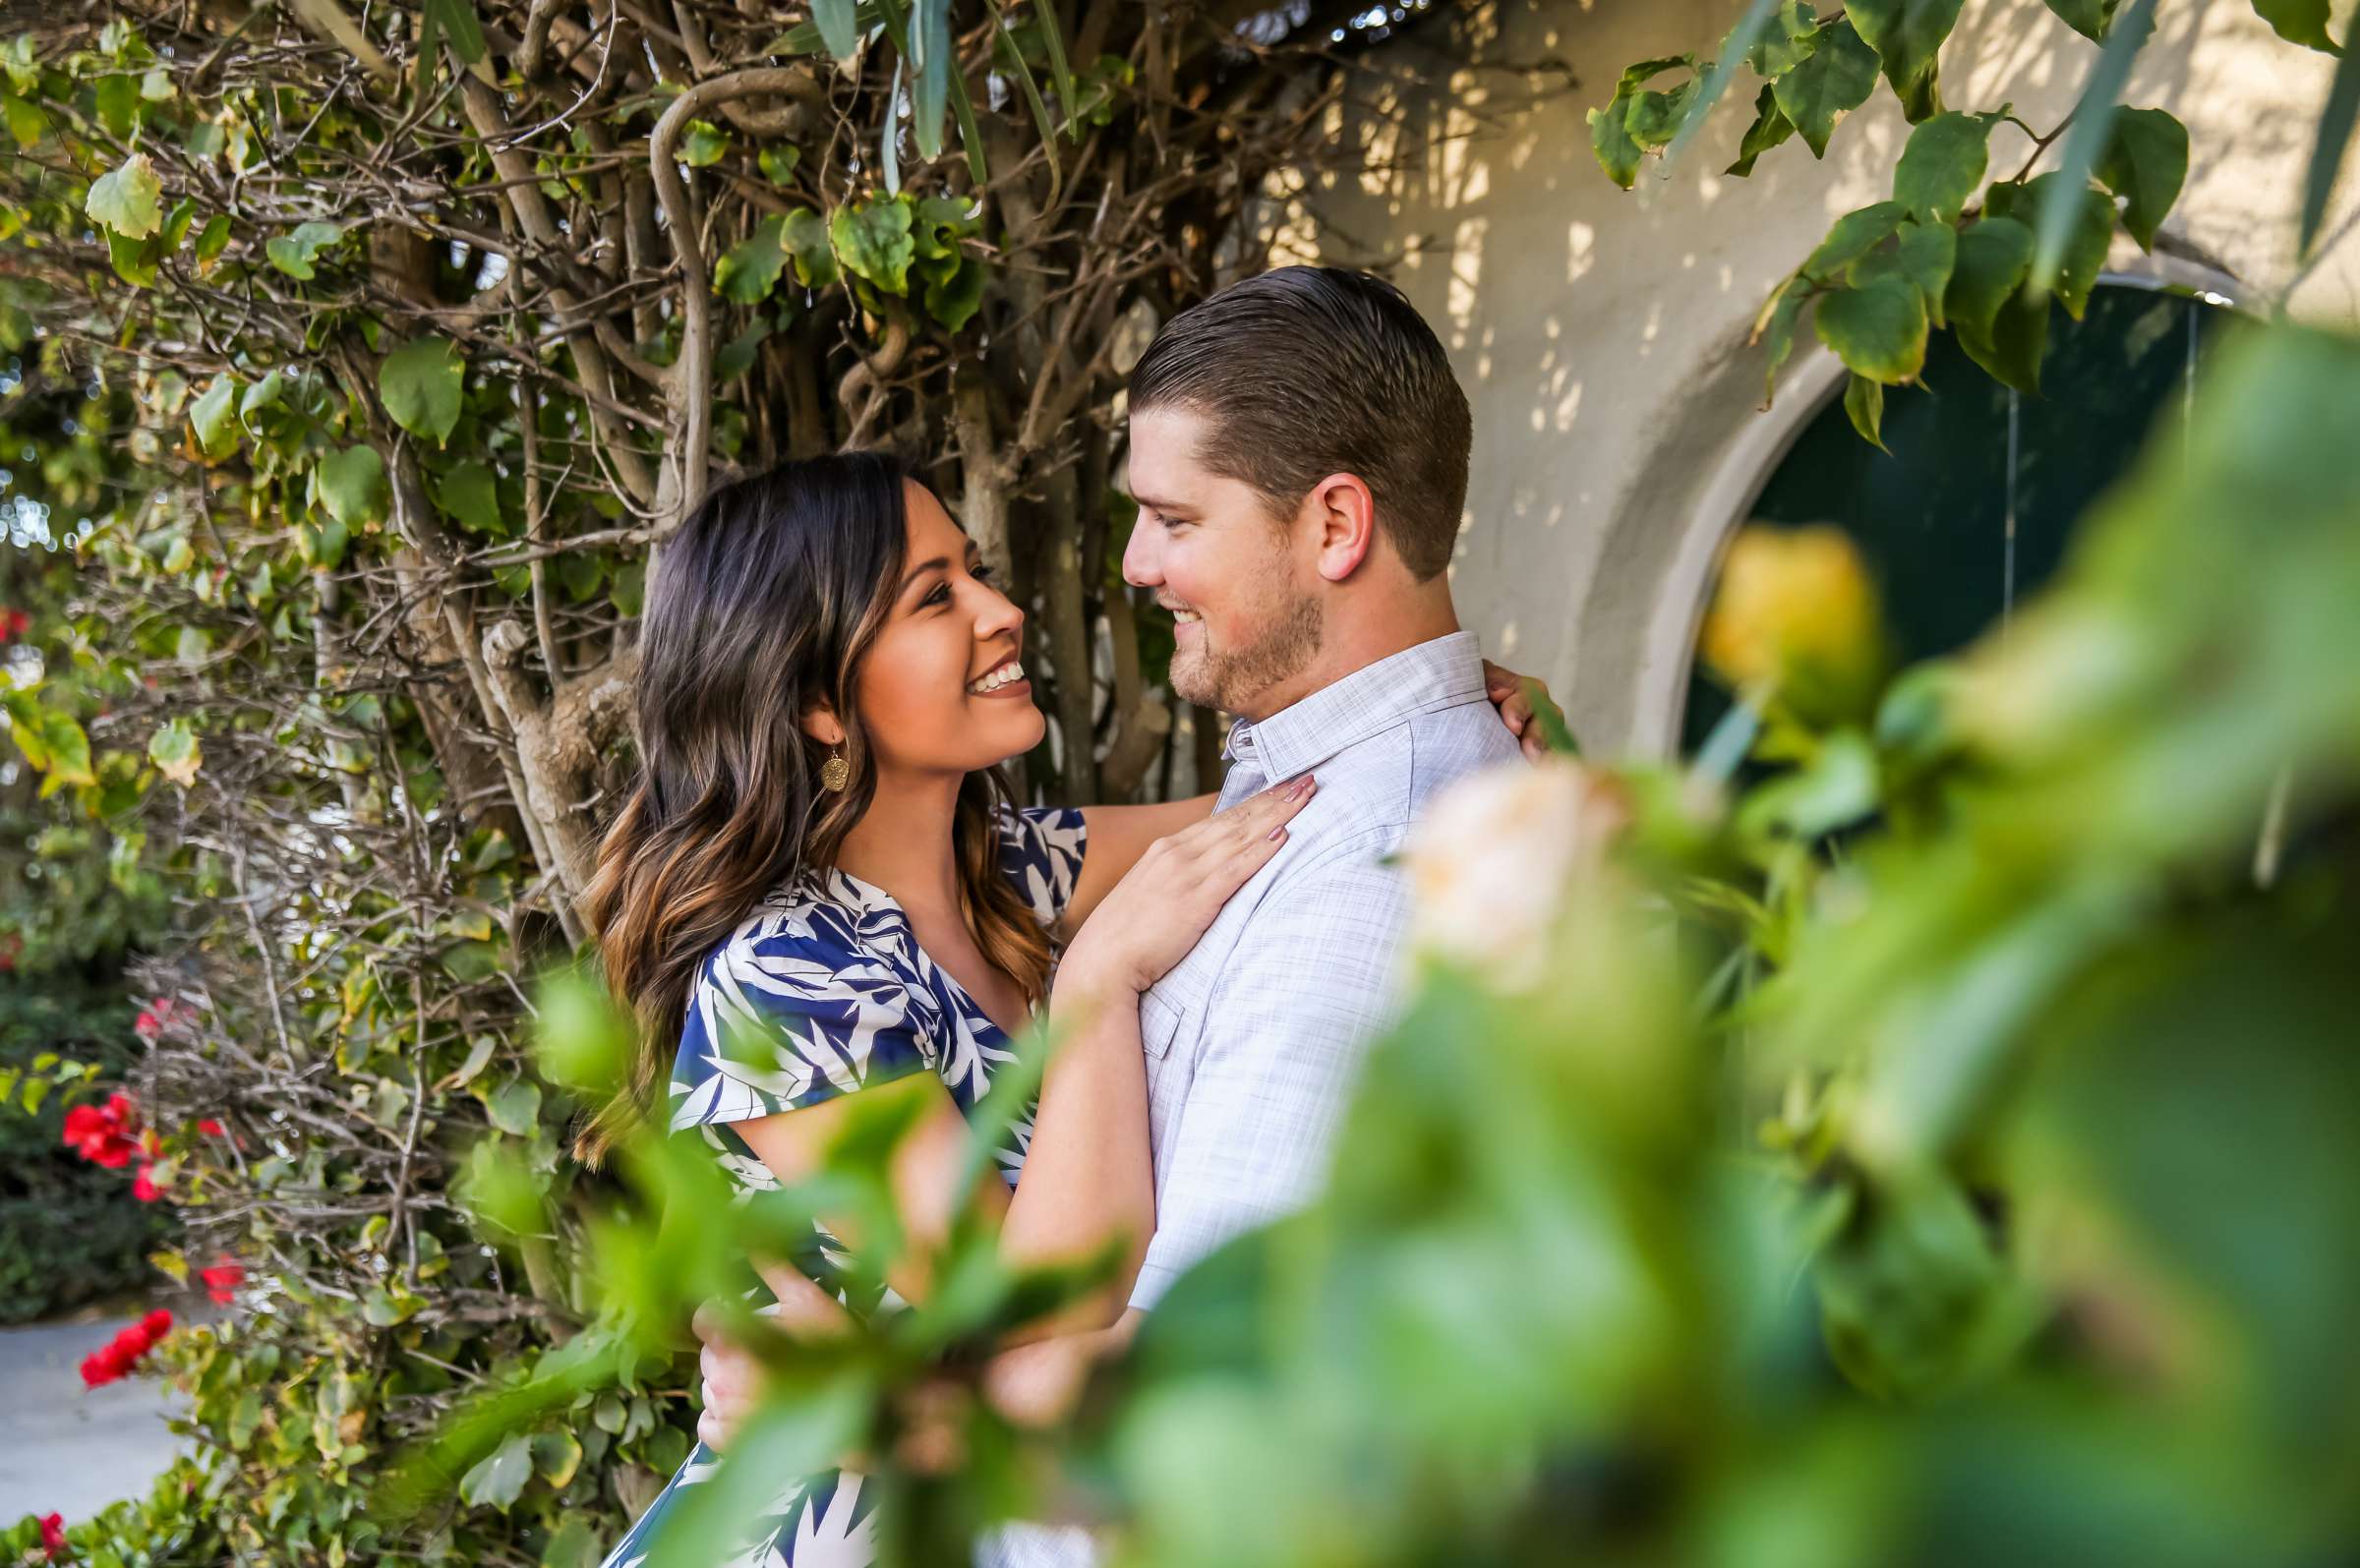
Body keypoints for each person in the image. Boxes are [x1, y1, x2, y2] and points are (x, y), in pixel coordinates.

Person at [688, 266, 1542, 1567]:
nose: (1007, 608)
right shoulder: (787, 974)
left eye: (1172, 520)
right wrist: (1093, 990)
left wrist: (1457, 702)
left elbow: (1275, 805)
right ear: (819, 699)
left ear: (1334, 526)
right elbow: (1014, 1319)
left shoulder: (1009, 873)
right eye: (935, 599)